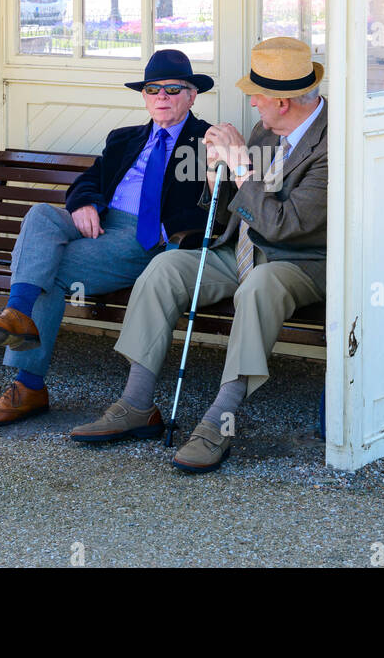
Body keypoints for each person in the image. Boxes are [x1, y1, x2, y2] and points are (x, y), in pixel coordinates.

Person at [69, 37, 327, 474]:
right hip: (243, 247)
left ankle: (219, 420)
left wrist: (242, 167)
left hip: (299, 261)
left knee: (261, 287)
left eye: (257, 96)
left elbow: (286, 225)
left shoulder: (330, 146)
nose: (253, 103)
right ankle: (135, 403)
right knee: (165, 267)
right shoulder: (269, 129)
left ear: (281, 102)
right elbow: (235, 205)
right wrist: (215, 174)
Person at [0, 49, 214, 426]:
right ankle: (16, 315)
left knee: (46, 269)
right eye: (153, 89)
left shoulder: (205, 141)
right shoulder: (124, 139)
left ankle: (28, 384)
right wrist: (84, 203)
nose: (162, 97)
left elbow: (211, 204)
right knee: (40, 215)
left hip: (145, 239)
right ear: (144, 96)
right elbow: (89, 180)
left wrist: (167, 228)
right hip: (100, 223)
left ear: (192, 95)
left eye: (173, 89)